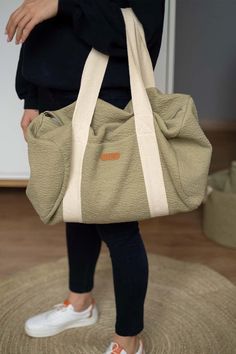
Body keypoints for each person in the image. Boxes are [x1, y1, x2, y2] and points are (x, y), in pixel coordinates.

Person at [5, 1, 165, 353]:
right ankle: (80, 303)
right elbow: (39, 25)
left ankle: (128, 339)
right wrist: (31, 97)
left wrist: (63, 4)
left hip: (109, 104)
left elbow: (136, 30)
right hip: (54, 99)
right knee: (74, 204)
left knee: (118, 226)